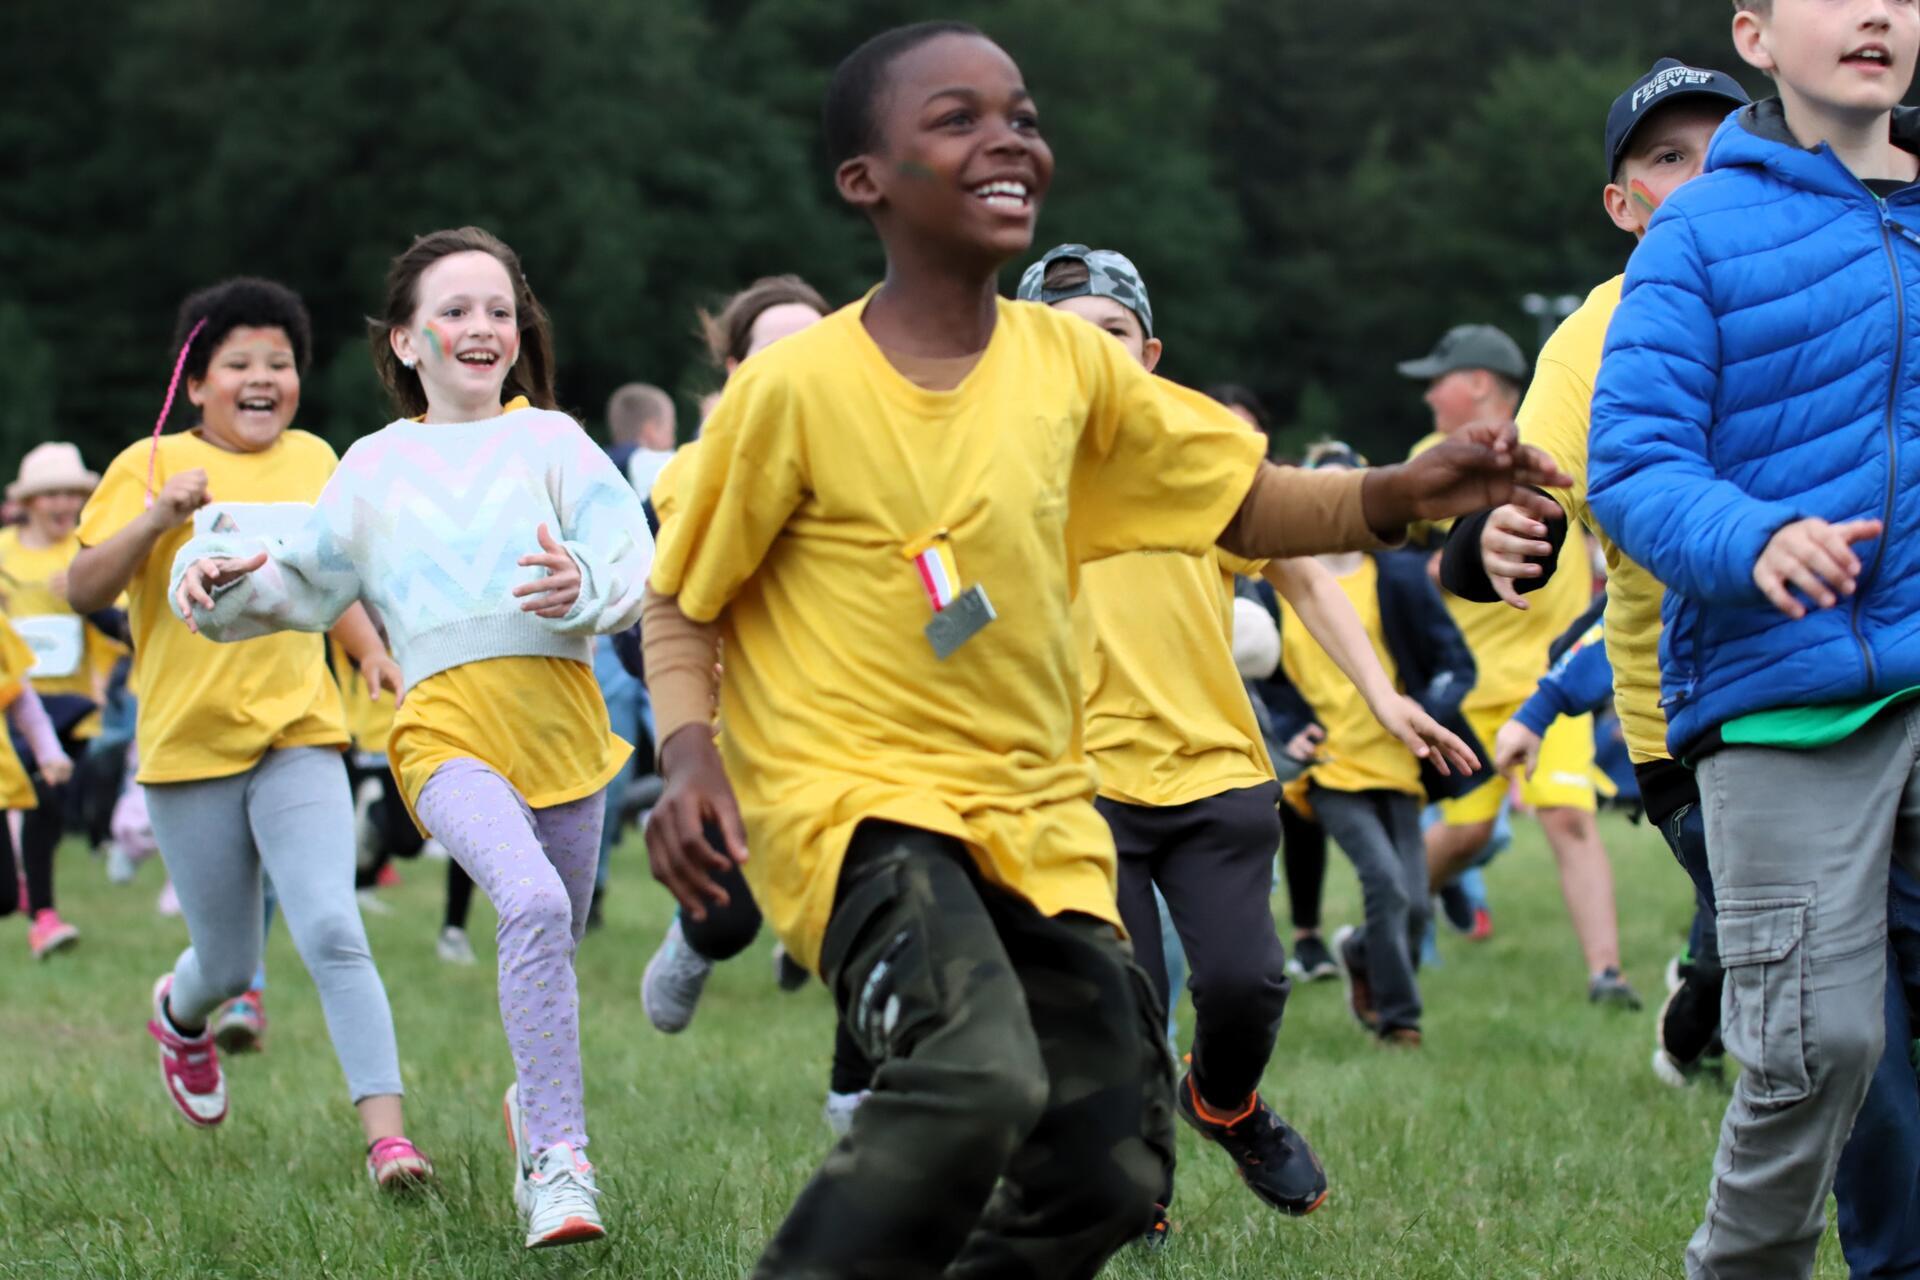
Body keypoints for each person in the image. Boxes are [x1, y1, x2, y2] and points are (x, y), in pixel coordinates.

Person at [639, 22, 1567, 1277]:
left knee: (1111, 1166)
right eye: (956, 118)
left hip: (1038, 810)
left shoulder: (1073, 367)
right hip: (855, 805)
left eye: (1020, 113)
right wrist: (690, 755)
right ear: (865, 179)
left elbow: (1243, 501)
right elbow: (684, 600)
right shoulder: (795, 390)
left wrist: (1408, 485)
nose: (1008, 137)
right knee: (973, 1074)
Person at [1017, 243, 1476, 1227]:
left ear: (1149, 352)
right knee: (1119, 1005)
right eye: (1060, 334)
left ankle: (1224, 1101)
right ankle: (1136, 1185)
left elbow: (1305, 568)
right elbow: (944, 606)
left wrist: (1385, 696)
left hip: (1215, 767)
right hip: (1072, 781)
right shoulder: (993, 464)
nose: (1087, 352)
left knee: (1245, 984)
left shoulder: (1192, 447)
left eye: (1110, 331)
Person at [1587, 4, 1920, 1273]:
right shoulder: (1703, 230)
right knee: (1817, 1046)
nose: (1878, 12)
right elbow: (1631, 463)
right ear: (1760, 37)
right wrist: (1757, 535)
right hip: (1784, 692)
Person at [67, 277, 432, 1190]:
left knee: (330, 926)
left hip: (299, 733)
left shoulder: (316, 459)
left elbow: (328, 576)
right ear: (197, 383)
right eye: (240, 364)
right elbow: (81, 591)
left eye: (281, 362)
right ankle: (179, 1015)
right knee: (227, 962)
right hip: (187, 749)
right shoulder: (145, 464)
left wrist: (371, 653)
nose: (264, 377)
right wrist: (157, 517)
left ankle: (390, 1141)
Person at [1403, 324, 1637, 1007]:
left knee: (1568, 815)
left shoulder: (1558, 439)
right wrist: (1450, 564)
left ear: (1478, 382)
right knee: (1470, 830)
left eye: (1437, 378)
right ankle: (1382, 930)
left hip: (1546, 676)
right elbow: (1390, 569)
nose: (1427, 393)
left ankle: (1607, 975)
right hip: (1466, 685)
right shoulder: (1427, 456)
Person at [637, 275, 830, 1034]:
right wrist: (685, 736)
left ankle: (856, 1094)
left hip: (859, 739)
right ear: (735, 372)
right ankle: (691, 942)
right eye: (770, 354)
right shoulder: (692, 478)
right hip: (737, 741)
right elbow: (659, 618)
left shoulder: (881, 464)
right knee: (728, 922)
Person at [0, 442, 119, 957]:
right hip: (13, 704)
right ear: (27, 501)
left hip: (72, 709)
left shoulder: (88, 551)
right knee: (33, 796)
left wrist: (83, 593)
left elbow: (117, 626)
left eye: (71, 494)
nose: (61, 503)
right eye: (49, 494)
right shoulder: (4, 551)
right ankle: (41, 912)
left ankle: (35, 896)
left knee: (49, 807)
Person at [612, 383, 677, 503]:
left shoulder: (601, 463)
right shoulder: (648, 460)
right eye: (671, 430)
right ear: (651, 431)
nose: (673, 440)